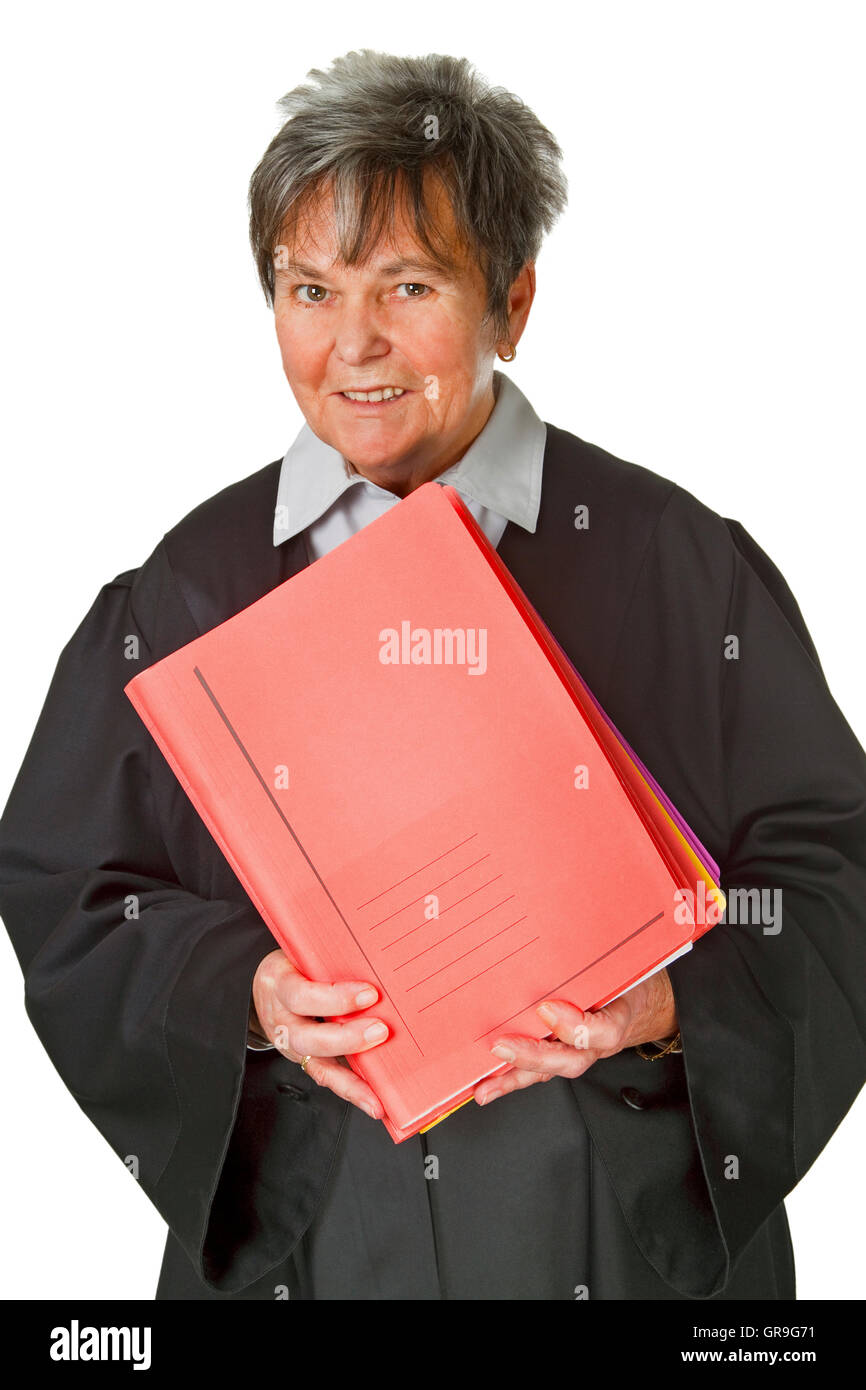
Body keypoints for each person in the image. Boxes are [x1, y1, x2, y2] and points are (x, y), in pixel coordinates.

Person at [1, 49, 864, 1301]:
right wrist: (247, 994)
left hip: (614, 1235)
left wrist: (670, 1004)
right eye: (307, 288)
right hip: (315, 1233)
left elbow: (832, 874)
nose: (352, 345)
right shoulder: (185, 590)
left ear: (511, 302)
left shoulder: (679, 567)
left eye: (407, 285)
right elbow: (69, 884)